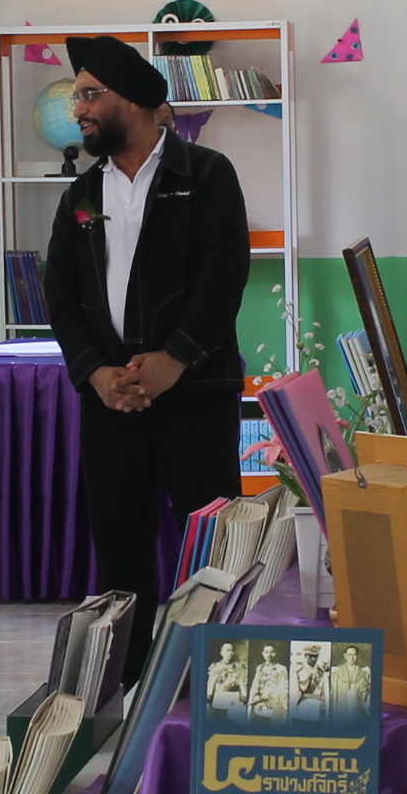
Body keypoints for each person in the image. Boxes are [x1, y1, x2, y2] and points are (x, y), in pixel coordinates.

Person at [41, 36, 251, 673]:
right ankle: (126, 691)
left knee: (211, 550)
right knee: (121, 556)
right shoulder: (82, 194)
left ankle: (211, 682)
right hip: (113, 403)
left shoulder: (206, 174)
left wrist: (175, 359)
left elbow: (224, 276)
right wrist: (95, 372)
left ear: (130, 98)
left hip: (197, 392)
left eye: (88, 94)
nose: (78, 108)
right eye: (77, 96)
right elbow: (61, 293)